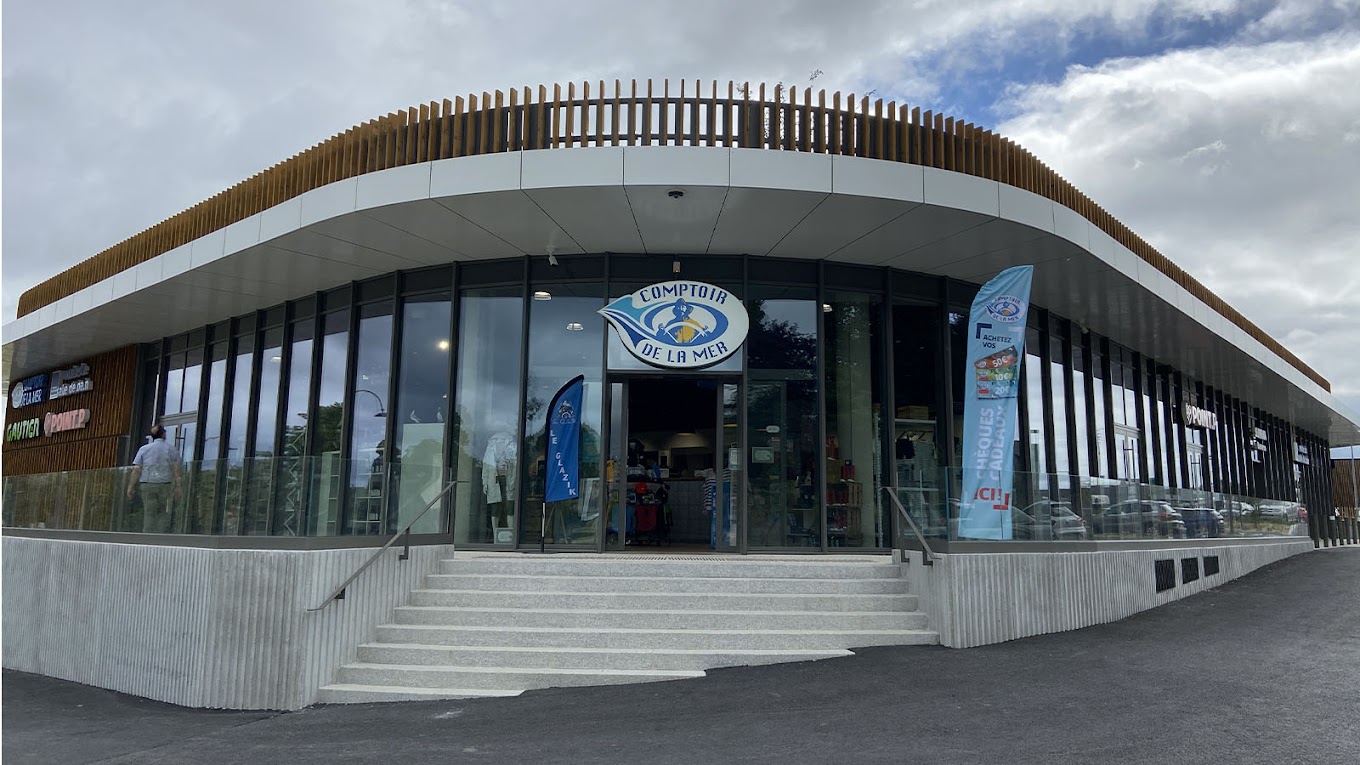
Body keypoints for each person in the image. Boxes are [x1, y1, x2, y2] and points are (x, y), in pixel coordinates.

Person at [128, 425, 182, 533]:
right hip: (165, 484)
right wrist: (178, 486)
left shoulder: (144, 449)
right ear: (163, 434)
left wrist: (130, 486)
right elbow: (176, 469)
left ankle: (147, 535)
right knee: (163, 511)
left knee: (149, 512)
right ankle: (160, 535)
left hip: (148, 483)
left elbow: (137, 469)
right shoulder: (171, 449)